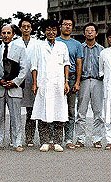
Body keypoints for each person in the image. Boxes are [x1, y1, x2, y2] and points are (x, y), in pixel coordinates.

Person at [31, 19, 70, 152]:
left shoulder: (62, 46)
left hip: (59, 83)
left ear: (57, 30)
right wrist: (35, 83)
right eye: (48, 29)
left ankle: (58, 141)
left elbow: (66, 64)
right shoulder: (39, 46)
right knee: (43, 111)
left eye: (54, 29)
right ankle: (45, 141)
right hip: (44, 83)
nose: (51, 32)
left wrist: (66, 82)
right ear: (44, 31)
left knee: (59, 111)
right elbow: (34, 66)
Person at [0, 24, 27, 152]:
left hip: (14, 88)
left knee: (16, 116)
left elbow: (24, 69)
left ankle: (17, 142)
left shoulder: (20, 50)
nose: (6, 35)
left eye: (8, 33)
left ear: (13, 35)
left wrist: (15, 82)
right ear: (0, 34)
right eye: (3, 33)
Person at [76, 23, 104, 149]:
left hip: (98, 81)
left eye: (92, 31)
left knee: (98, 112)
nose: (90, 33)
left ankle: (97, 139)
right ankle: (80, 139)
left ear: (96, 33)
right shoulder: (79, 48)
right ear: (84, 33)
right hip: (84, 81)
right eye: (87, 31)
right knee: (81, 111)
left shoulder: (102, 50)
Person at [56, 17, 83, 149]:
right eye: (65, 24)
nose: (67, 27)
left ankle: (68, 138)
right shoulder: (54, 42)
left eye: (70, 25)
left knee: (71, 110)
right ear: (60, 26)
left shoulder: (77, 44)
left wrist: (77, 82)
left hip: (72, 78)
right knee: (57, 108)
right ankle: (55, 138)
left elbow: (79, 63)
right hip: (56, 78)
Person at [12, 18, 40, 147]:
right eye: (24, 26)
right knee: (15, 109)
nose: (26, 28)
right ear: (20, 28)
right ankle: (15, 138)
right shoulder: (15, 43)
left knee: (32, 110)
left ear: (31, 28)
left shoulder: (38, 43)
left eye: (28, 26)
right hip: (17, 79)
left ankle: (29, 138)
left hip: (33, 79)